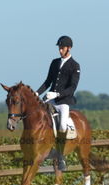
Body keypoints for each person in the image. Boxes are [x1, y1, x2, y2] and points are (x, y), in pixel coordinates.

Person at [36, 35, 81, 170]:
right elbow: (48, 81)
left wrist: (57, 94)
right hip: (50, 99)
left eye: (62, 48)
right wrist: (37, 93)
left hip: (64, 101)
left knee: (61, 125)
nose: (60, 50)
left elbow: (72, 88)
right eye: (59, 48)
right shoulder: (54, 62)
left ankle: (61, 156)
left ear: (69, 48)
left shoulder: (75, 66)